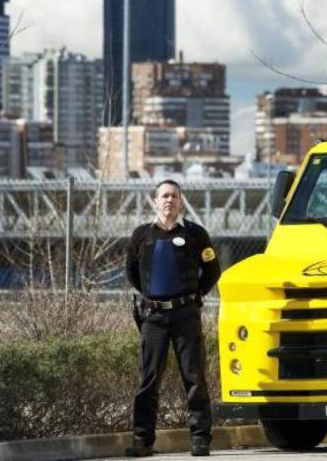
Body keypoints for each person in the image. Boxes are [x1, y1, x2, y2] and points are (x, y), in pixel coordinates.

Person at [125, 179, 221, 457]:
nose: (169, 201)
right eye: (164, 196)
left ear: (181, 202)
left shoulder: (196, 234)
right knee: (148, 380)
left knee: (194, 378)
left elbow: (213, 270)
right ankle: (143, 441)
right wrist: (152, 296)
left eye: (174, 197)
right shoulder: (142, 235)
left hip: (185, 316)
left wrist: (193, 297)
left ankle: (200, 439)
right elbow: (132, 272)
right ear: (155, 201)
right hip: (153, 318)